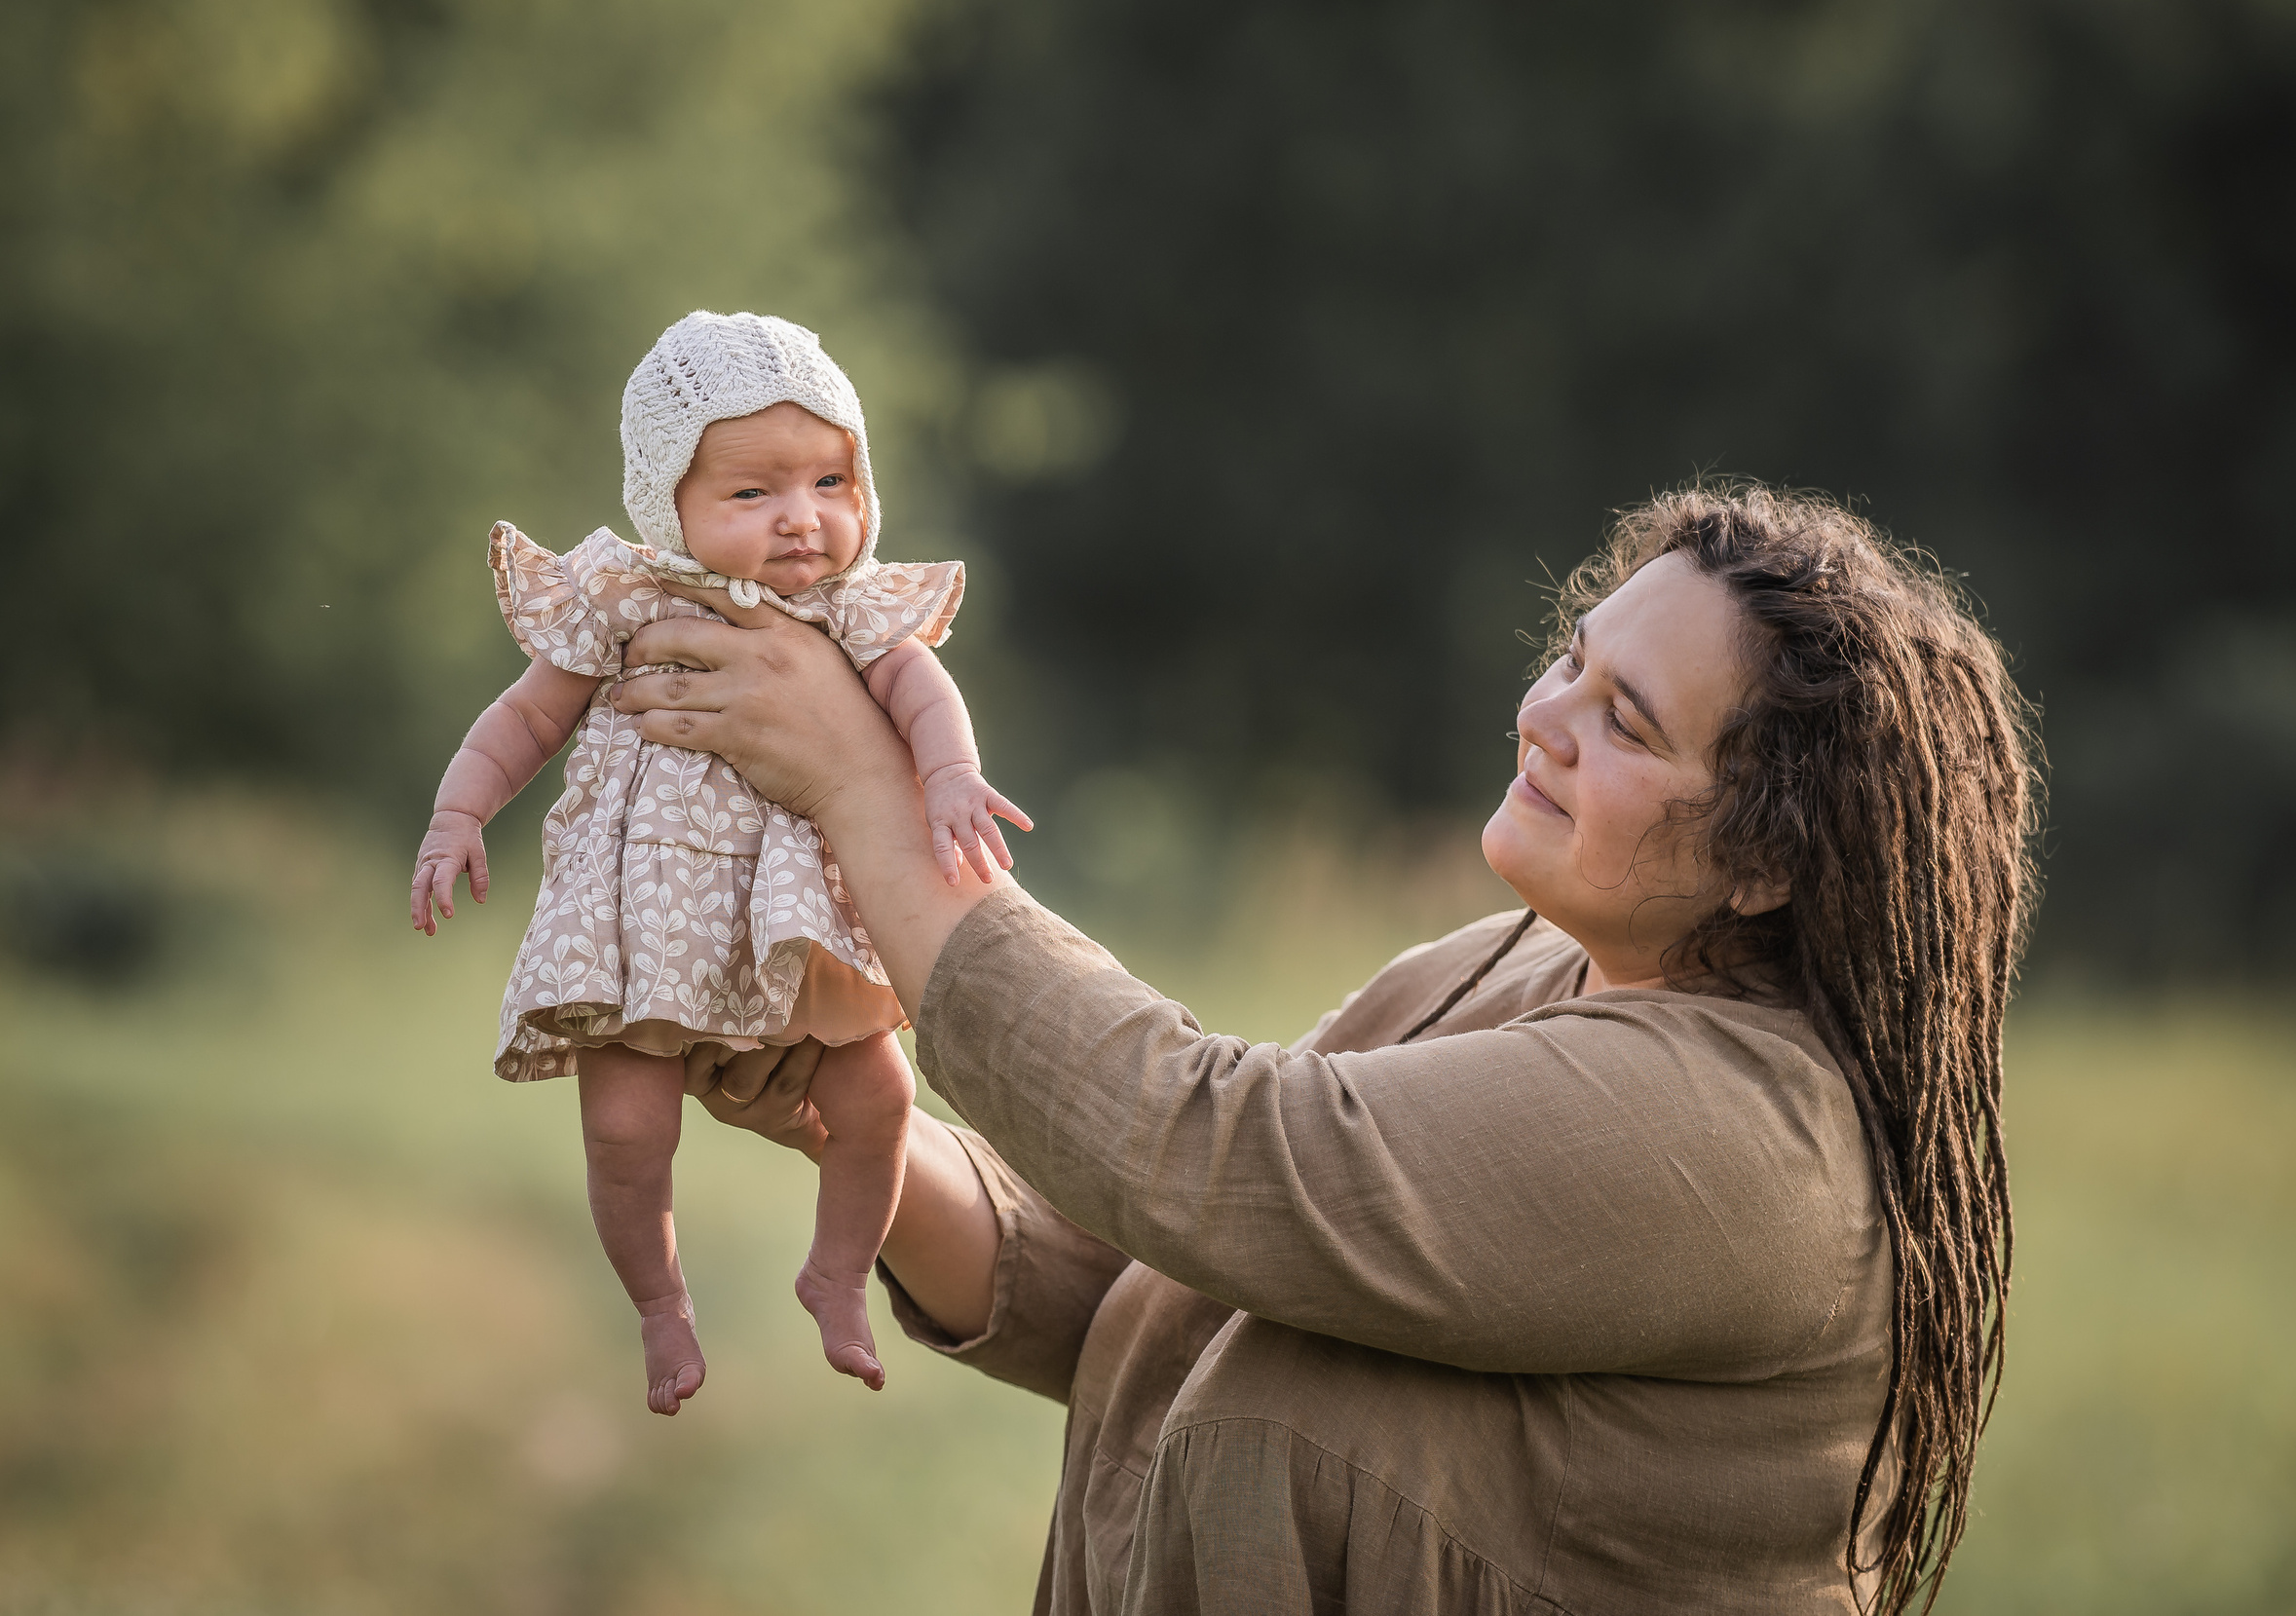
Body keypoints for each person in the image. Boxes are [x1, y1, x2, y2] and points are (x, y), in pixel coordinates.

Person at [615, 483, 2039, 1614]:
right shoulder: (1516, 965)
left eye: (1627, 722)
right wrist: (855, 1127)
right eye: (1573, 657)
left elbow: (1218, 1151)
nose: (1545, 718)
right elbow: (1187, 1284)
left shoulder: (1735, 1135)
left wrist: (867, 788)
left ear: (1767, 860)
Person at [408, 311, 1029, 1413]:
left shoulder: (845, 611)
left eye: (831, 481)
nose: (802, 517)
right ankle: (660, 1304)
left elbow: (922, 688)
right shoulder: (625, 599)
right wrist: (460, 813)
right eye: (752, 492)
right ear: (670, 505)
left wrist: (948, 775)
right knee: (625, 1125)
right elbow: (526, 718)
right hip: (647, 924)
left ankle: (839, 1273)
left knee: (878, 1092)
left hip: (798, 924)